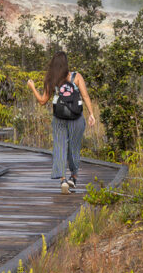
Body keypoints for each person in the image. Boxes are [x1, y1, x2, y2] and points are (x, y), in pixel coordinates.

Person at [27, 51, 96, 194]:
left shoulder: (52, 79)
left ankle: (63, 180)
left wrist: (32, 87)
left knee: (59, 147)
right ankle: (74, 177)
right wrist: (92, 114)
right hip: (77, 118)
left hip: (58, 119)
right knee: (74, 147)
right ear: (66, 63)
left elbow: (42, 101)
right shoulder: (76, 77)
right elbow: (85, 96)